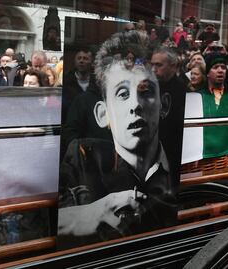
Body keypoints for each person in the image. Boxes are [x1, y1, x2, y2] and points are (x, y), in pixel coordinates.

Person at [58, 31, 179, 248]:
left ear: (164, 105)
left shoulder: (179, 161)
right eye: (123, 93)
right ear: (103, 114)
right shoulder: (83, 159)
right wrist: (87, 216)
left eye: (146, 91)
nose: (135, 104)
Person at [150, 47, 186, 184]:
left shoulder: (182, 91)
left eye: (158, 65)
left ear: (173, 66)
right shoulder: (150, 88)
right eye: (152, 64)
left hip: (172, 156)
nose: (153, 69)